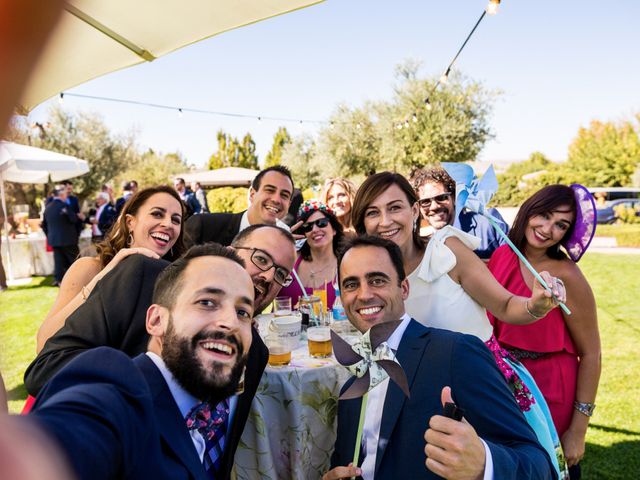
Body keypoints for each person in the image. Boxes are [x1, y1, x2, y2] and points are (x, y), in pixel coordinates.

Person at [351, 172, 569, 477]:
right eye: (373, 212)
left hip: (483, 388)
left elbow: (506, 305)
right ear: (362, 223)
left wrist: (536, 304)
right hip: (418, 398)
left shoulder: (447, 250)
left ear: (415, 211)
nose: (385, 220)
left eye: (395, 207)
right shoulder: (370, 276)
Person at [325, 235, 555, 480]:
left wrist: (485, 465)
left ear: (404, 288)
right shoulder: (352, 386)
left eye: (377, 280)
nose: (364, 294)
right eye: (351, 284)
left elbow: (538, 466)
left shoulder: (456, 353)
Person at [25, 243, 259, 479]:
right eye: (207, 302)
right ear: (156, 320)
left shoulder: (198, 418)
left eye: (243, 312)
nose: (231, 323)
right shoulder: (115, 389)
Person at [24, 224, 296, 397]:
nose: (269, 276)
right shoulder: (140, 278)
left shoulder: (257, 352)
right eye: (261, 258)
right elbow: (45, 371)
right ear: (229, 251)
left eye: (282, 274)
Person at [488, 185, 600, 479]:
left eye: (561, 225)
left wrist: (578, 430)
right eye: (544, 215)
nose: (547, 229)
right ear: (529, 210)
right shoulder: (501, 255)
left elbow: (592, 353)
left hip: (552, 390)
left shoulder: (568, 275)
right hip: (503, 383)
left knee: (551, 469)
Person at [36, 185, 186, 353]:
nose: (167, 224)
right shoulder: (90, 268)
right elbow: (44, 343)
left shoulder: (175, 283)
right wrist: (103, 279)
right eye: (157, 214)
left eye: (176, 220)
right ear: (131, 222)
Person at [411, 166, 508, 260]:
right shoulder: (425, 247)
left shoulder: (488, 224)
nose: (434, 207)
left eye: (441, 198)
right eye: (425, 202)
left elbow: (516, 262)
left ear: (453, 198)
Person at [185, 165, 294, 247]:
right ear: (252, 194)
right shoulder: (202, 227)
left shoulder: (282, 247)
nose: (276, 200)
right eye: (270, 190)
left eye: (284, 195)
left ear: (289, 204)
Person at [278, 200, 345, 310]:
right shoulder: (288, 261)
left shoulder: (346, 266)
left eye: (321, 223)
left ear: (334, 229)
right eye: (308, 226)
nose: (315, 229)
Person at [42, 184, 80, 286]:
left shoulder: (47, 208)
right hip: (68, 239)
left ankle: (59, 280)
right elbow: (74, 219)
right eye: (66, 194)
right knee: (74, 260)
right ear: (62, 195)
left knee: (58, 261)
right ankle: (78, 278)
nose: (67, 196)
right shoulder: (64, 206)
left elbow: (44, 225)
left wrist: (50, 235)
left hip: (54, 239)